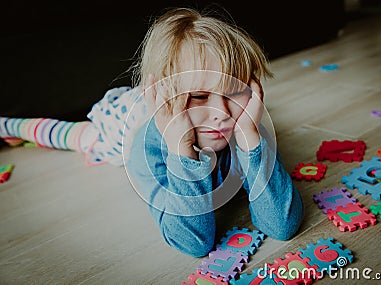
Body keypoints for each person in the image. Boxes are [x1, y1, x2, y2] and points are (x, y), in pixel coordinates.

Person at [0, 7, 304, 257]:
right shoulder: (144, 151)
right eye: (199, 96)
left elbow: (281, 225)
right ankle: (9, 124)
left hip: (161, 103)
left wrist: (252, 139)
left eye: (235, 92)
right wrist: (182, 150)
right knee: (80, 137)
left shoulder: (242, 128)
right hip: (121, 122)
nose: (222, 115)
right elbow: (193, 243)